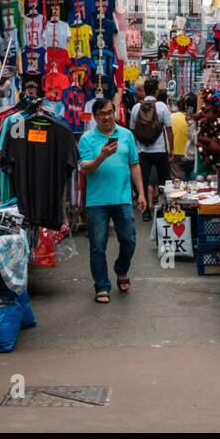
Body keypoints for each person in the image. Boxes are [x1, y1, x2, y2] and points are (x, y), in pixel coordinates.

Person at [79, 98, 146, 303]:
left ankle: (121, 269)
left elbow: (134, 165)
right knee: (98, 245)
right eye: (102, 114)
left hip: (122, 198)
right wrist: (102, 156)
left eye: (109, 112)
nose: (106, 117)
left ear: (114, 112)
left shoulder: (126, 135)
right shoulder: (87, 139)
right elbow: (85, 168)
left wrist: (141, 193)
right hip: (97, 201)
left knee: (129, 240)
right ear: (95, 116)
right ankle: (102, 286)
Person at [130, 77, 174, 220]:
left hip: (142, 150)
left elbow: (132, 130)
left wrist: (135, 147)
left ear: (145, 90)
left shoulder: (137, 107)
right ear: (156, 91)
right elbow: (169, 129)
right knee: (164, 181)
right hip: (160, 150)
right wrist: (171, 149)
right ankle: (165, 210)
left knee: (143, 181)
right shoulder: (162, 107)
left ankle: (146, 211)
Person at [170, 96, 191, 180]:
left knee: (176, 177)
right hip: (187, 152)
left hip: (174, 150)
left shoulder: (172, 117)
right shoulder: (190, 119)